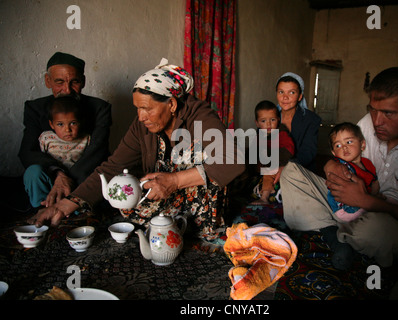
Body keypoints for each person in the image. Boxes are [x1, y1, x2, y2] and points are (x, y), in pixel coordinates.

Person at [28, 58, 245, 243]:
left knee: (197, 153)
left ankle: (196, 222)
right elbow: (113, 166)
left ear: (171, 104)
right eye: (137, 108)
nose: (141, 117)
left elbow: (234, 161)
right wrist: (68, 203)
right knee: (129, 206)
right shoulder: (142, 125)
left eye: (147, 109)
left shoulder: (200, 116)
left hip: (198, 194)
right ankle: (173, 220)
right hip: (167, 192)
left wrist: (174, 181)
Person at [280, 67, 398, 270]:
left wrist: (367, 201)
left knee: (374, 233)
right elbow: (341, 154)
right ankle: (334, 234)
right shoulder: (367, 124)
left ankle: (333, 231)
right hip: (348, 204)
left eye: (388, 113)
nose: (377, 121)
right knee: (290, 171)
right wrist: (331, 165)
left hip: (394, 219)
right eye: (373, 109)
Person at [18, 52, 112, 209]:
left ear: (83, 81)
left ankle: (75, 209)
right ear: (48, 81)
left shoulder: (99, 108)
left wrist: (69, 180)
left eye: (74, 82)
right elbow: (27, 152)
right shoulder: (35, 108)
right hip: (52, 175)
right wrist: (58, 174)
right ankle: (43, 208)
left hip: (84, 175)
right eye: (59, 82)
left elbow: (98, 151)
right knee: (33, 172)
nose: (67, 90)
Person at [23, 96, 91, 208]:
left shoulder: (86, 139)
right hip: (51, 179)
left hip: (75, 181)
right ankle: (41, 205)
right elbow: (40, 159)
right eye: (60, 124)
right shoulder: (47, 138)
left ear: (80, 122)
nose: (67, 129)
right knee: (33, 171)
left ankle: (75, 207)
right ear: (51, 124)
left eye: (73, 123)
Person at [327, 122, 380, 222]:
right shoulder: (342, 167)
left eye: (349, 142)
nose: (344, 147)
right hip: (344, 209)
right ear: (334, 153)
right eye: (338, 145)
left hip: (362, 202)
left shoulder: (368, 164)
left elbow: (374, 183)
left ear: (362, 145)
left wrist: (374, 196)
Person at [275, 72, 321, 175]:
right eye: (281, 92)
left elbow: (308, 153)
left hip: (300, 171)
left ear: (300, 96)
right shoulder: (270, 116)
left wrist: (286, 168)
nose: (285, 97)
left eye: (291, 93)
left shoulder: (311, 120)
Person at [250, 100, 294, 204]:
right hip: (264, 163)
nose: (268, 124)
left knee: (268, 171)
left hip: (280, 164)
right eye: (263, 121)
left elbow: (289, 149)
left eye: (272, 120)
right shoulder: (259, 135)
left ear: (278, 120)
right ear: (257, 123)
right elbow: (254, 151)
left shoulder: (281, 133)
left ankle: (264, 198)